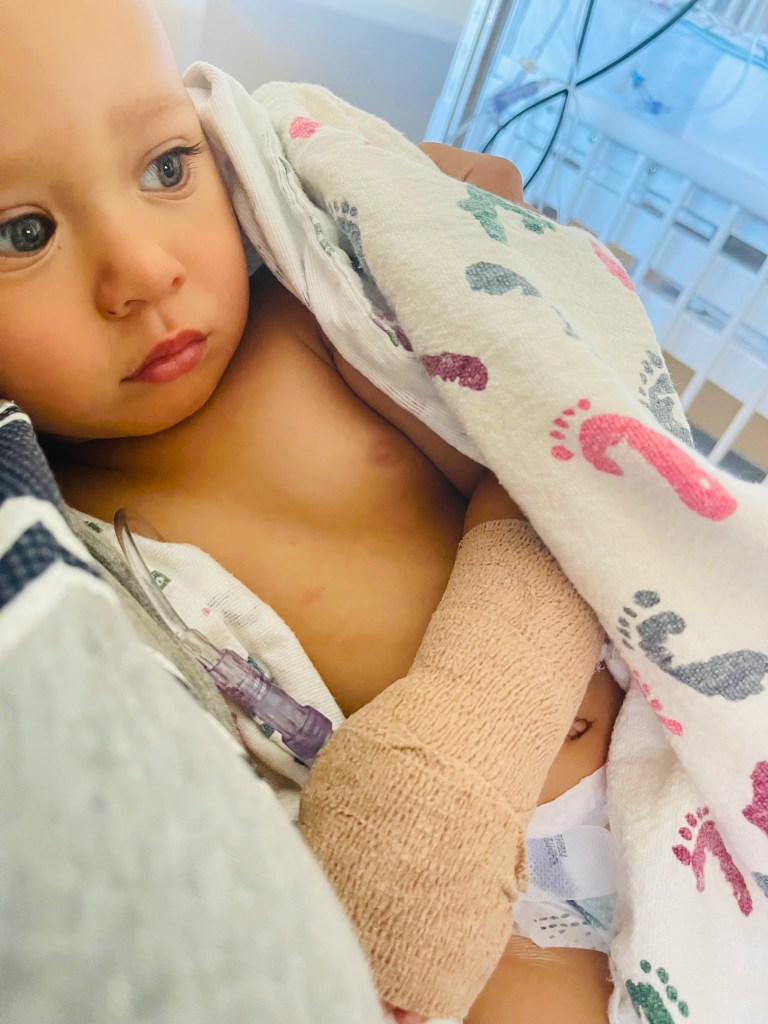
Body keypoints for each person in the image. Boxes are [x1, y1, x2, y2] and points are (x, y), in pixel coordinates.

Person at [0, 0, 625, 1020]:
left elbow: (548, 464)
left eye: (166, 167)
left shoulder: (317, 317)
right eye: (23, 232)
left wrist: (469, 728)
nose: (144, 271)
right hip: (426, 922)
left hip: (613, 771)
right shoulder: (56, 537)